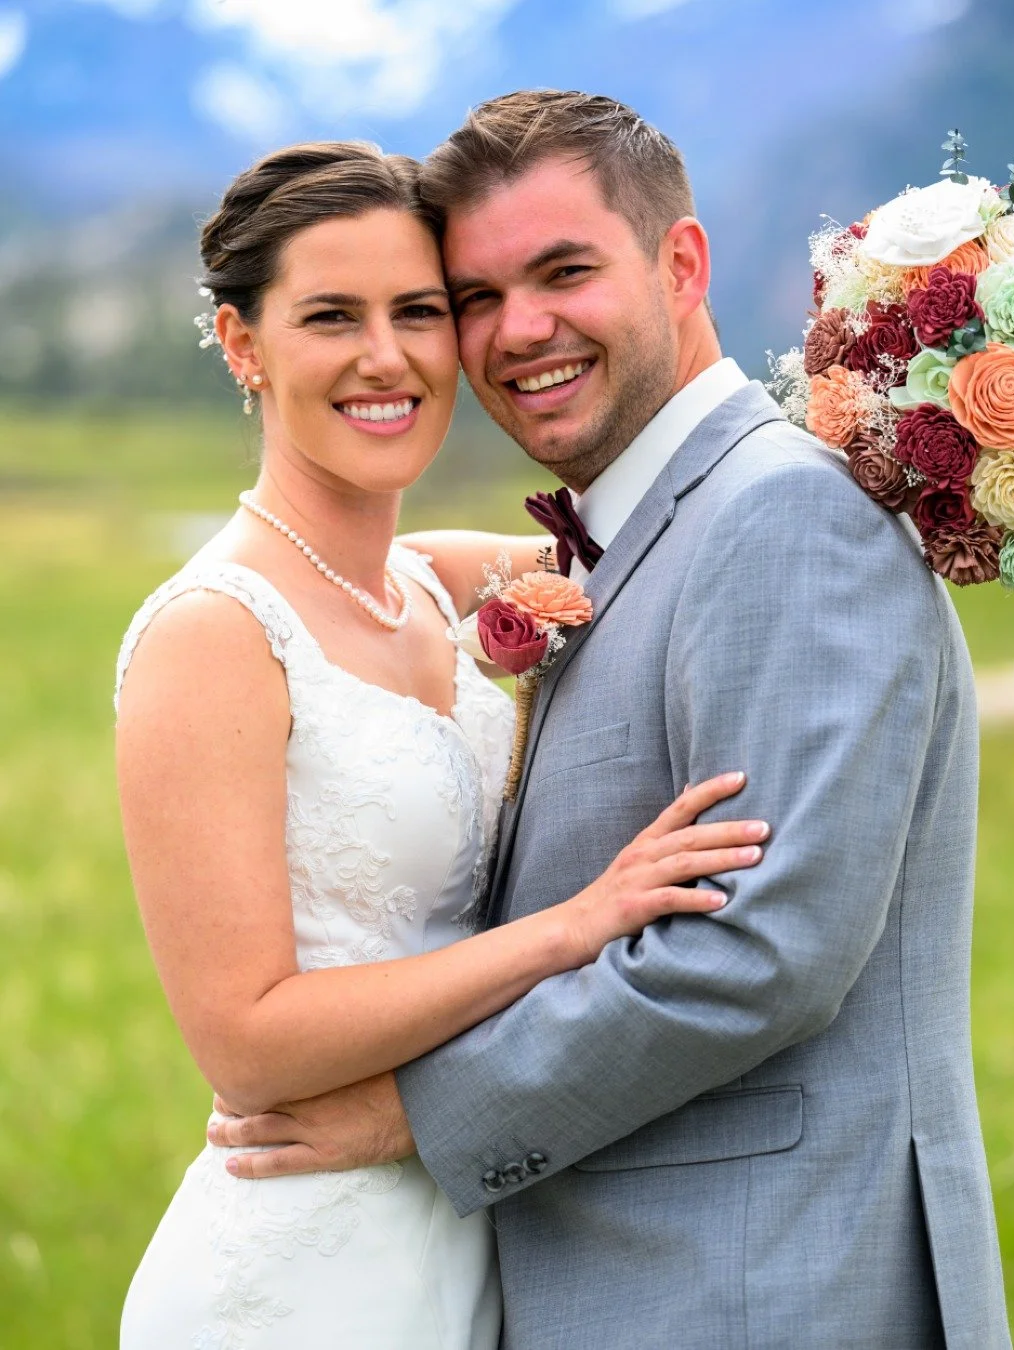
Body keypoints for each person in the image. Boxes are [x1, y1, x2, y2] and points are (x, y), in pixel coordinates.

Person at [214, 93, 1012, 1348]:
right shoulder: (633, 529)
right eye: (474, 295)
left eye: (564, 272)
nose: (518, 331)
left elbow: (759, 952)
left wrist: (414, 1117)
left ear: (679, 264)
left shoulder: (779, 518)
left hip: (767, 1284)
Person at [114, 140, 770, 1349]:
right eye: (331, 316)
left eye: (421, 311)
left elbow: (700, 537)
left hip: (483, 1226)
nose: (389, 356)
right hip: (307, 1266)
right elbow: (248, 1041)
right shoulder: (213, 635)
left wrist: (917, 436)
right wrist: (570, 929)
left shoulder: (447, 582)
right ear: (242, 345)